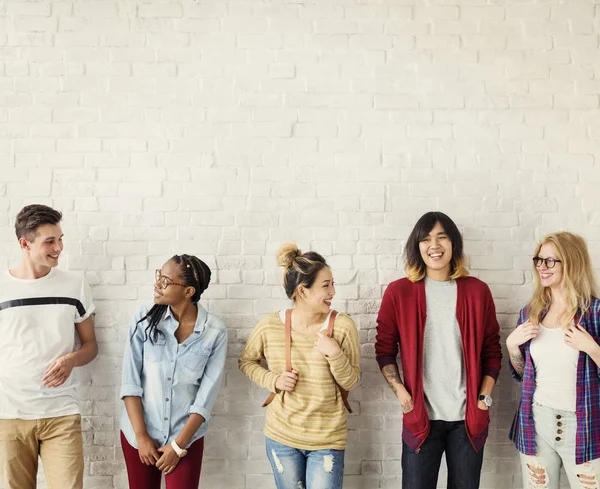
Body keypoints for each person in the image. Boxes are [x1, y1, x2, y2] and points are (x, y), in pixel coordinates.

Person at [375, 211, 502, 489]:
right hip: (421, 419)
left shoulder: (477, 291)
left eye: (442, 237)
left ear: (453, 243)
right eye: (426, 238)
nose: (434, 245)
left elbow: (492, 351)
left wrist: (484, 398)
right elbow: (385, 350)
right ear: (417, 246)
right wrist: (402, 394)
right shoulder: (399, 292)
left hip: (467, 420)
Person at [239, 242, 360, 489]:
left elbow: (351, 381)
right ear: (303, 291)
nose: (333, 292)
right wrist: (273, 380)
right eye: (326, 286)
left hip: (327, 439)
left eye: (333, 283)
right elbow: (246, 361)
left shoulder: (343, 326)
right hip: (281, 436)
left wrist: (334, 353)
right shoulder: (269, 325)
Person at [0, 204, 97, 489]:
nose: (59, 248)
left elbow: (91, 346)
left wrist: (71, 360)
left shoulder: (74, 285)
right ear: (25, 244)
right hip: (9, 416)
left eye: (61, 239)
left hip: (61, 414)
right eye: (50, 241)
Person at [120, 254, 227, 489]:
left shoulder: (214, 332)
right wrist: (141, 437)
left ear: (188, 292)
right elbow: (130, 383)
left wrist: (178, 446)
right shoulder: (143, 319)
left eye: (166, 281)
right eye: (159, 276)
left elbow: (205, 399)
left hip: (185, 438)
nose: (157, 285)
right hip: (139, 433)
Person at [508, 232, 600, 488]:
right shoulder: (530, 313)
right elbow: (522, 373)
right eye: (539, 260)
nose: (541, 267)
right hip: (537, 423)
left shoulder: (595, 313)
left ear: (571, 262)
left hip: (584, 426)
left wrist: (592, 348)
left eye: (550, 261)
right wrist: (512, 346)